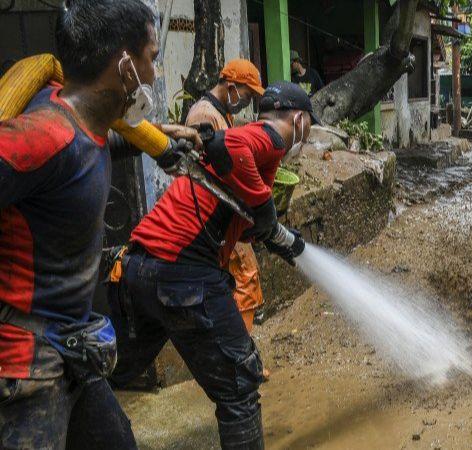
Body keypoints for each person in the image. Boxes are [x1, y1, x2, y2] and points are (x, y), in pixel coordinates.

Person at [0, 0, 200, 448]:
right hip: (27, 369)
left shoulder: (77, 121)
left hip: (70, 347)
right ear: (124, 64)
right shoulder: (41, 136)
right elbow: (58, 154)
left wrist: (159, 138)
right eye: (150, 57)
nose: (153, 74)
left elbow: (87, 151)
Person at [108, 81, 318, 450]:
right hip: (184, 275)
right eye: (308, 128)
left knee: (113, 374)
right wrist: (265, 207)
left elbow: (232, 210)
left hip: (136, 270)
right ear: (299, 119)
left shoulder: (249, 140)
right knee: (240, 387)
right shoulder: (272, 136)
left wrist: (273, 234)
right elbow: (231, 147)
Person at [184, 59, 266, 334]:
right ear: (231, 86)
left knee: (238, 284)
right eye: (248, 95)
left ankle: (240, 355)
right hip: (214, 215)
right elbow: (206, 172)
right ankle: (242, 358)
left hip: (224, 214)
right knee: (245, 279)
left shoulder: (220, 112)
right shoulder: (204, 116)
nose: (248, 102)